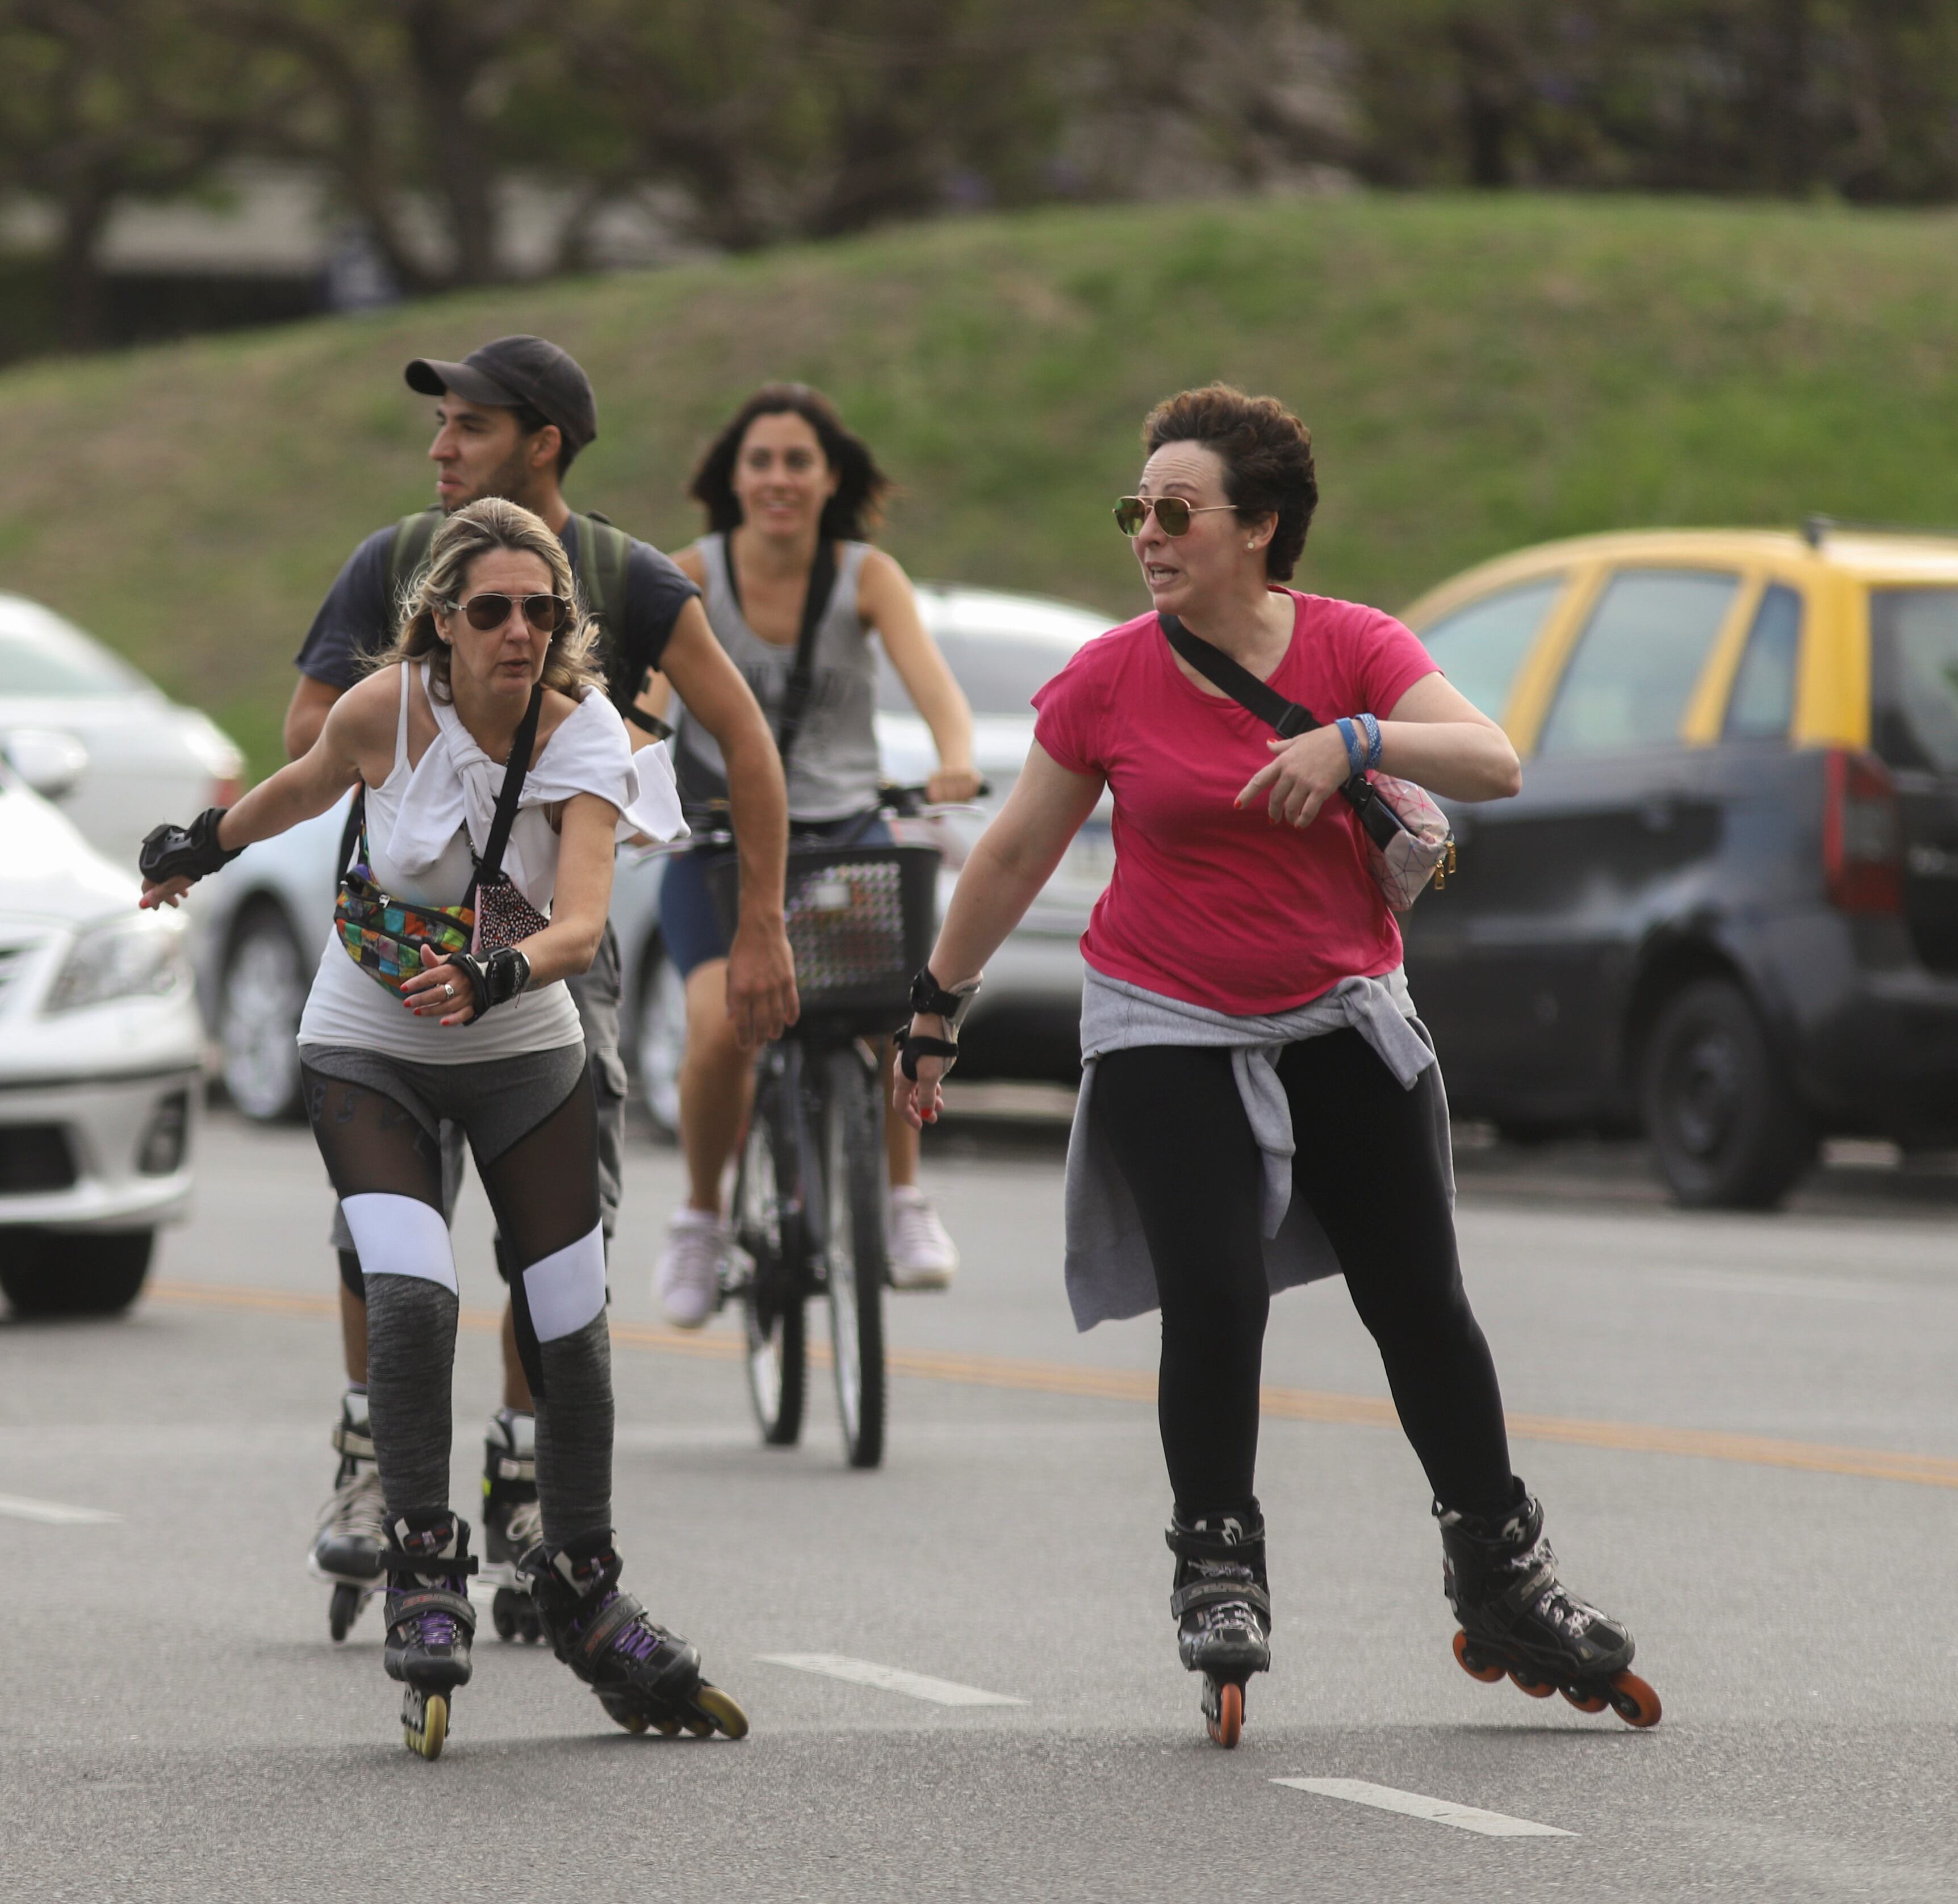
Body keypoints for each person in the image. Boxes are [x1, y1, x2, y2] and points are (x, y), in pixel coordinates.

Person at [896, 384, 1656, 1746]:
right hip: (1163, 1019)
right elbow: (1013, 850)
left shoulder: (1353, 647)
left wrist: (1354, 736)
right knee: (1214, 1290)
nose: (1147, 531)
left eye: (1175, 510)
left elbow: (1493, 761)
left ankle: (1497, 1568)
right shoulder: (1107, 677)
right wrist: (934, 1008)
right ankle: (1217, 1559)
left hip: (1341, 1013)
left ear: (1257, 529)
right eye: (1136, 508)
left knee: (1420, 1302)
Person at [145, 498, 744, 1756]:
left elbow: (579, 924)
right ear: (441, 625)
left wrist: (492, 979)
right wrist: (199, 845)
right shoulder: (389, 711)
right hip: (370, 1042)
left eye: (540, 610)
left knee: (567, 1318)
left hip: (523, 1046)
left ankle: (582, 1582)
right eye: (491, 611)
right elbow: (301, 791)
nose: (518, 630)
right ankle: (425, 1565)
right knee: (413, 1296)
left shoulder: (589, 736)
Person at [281, 336, 798, 1642]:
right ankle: (372, 1458)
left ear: (542, 442)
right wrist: (430, 719)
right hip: (398, 947)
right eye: (440, 427)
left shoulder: (630, 578)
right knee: (390, 1237)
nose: (440, 448)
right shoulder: (400, 562)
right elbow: (308, 742)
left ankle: (526, 1462)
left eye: (466, 426)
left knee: (565, 1234)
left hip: (550, 943)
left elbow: (740, 741)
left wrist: (758, 927)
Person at [650, 383, 981, 1325]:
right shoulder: (691, 577)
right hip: (717, 843)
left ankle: (903, 1199)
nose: (780, 479)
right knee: (719, 1029)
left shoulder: (866, 577)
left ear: (831, 477)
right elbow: (646, 710)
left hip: (844, 834)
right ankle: (704, 1217)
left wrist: (955, 758)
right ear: (733, 477)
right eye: (761, 461)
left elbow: (935, 688)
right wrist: (633, 778)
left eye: (800, 461)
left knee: (895, 1009)